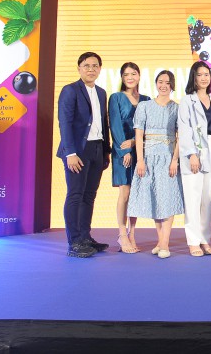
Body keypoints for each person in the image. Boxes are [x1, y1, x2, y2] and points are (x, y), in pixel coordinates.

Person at [56, 52, 111, 258]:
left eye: (95, 66)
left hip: (97, 149)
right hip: (77, 151)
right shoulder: (70, 90)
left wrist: (106, 151)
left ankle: (85, 237)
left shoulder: (101, 93)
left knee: (89, 195)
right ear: (79, 68)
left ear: (100, 69)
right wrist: (70, 153)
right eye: (86, 65)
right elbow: (65, 122)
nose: (91, 69)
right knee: (75, 195)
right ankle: (74, 242)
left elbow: (103, 123)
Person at [128, 70, 182, 259]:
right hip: (149, 158)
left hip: (168, 158)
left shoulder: (177, 108)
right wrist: (140, 160)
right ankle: (161, 242)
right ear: (156, 83)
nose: (163, 85)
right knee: (156, 199)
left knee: (168, 199)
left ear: (172, 85)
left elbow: (180, 136)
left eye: (167, 82)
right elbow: (139, 135)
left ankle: (165, 244)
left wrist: (175, 160)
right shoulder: (144, 106)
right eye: (160, 81)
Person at [178, 61, 211, 257]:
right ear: (194, 77)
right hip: (194, 149)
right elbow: (184, 128)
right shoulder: (187, 100)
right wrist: (192, 154)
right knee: (193, 195)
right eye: (200, 74)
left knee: (208, 196)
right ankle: (193, 240)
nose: (204, 78)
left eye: (207, 74)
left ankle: (205, 238)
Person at [108, 62, 150, 254]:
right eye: (126, 74)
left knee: (136, 194)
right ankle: (121, 234)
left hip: (139, 151)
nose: (130, 77)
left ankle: (132, 234)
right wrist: (124, 151)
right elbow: (115, 126)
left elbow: (149, 128)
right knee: (124, 193)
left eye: (133, 73)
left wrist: (134, 142)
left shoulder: (147, 100)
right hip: (122, 150)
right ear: (122, 78)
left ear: (139, 76)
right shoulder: (116, 98)